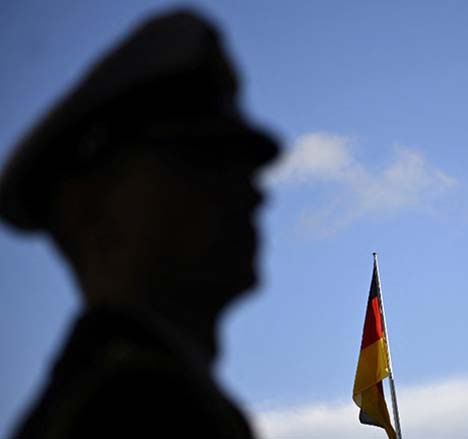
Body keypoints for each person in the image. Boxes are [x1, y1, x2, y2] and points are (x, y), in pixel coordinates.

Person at [0, 9, 279, 438]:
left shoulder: (146, 393)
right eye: (203, 162)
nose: (253, 194)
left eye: (242, 168)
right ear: (91, 209)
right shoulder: (132, 409)